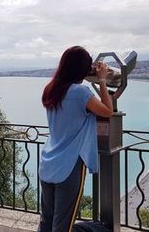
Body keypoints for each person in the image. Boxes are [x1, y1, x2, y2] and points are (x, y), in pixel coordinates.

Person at [38, 46, 113, 232]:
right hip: (69, 165)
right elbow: (107, 111)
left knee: (46, 221)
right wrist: (102, 80)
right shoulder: (80, 93)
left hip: (48, 162)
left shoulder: (50, 90)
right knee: (63, 224)